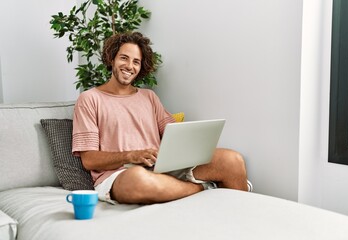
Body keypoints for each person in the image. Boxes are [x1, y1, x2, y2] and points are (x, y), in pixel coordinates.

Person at [72, 32, 252, 205]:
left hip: (161, 169)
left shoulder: (149, 97)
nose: (129, 66)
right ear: (112, 59)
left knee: (232, 159)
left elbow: (174, 134)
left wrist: (190, 147)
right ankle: (203, 189)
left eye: (136, 62)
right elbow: (89, 160)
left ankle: (243, 219)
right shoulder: (89, 99)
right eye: (124, 58)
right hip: (119, 175)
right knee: (138, 179)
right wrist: (131, 155)